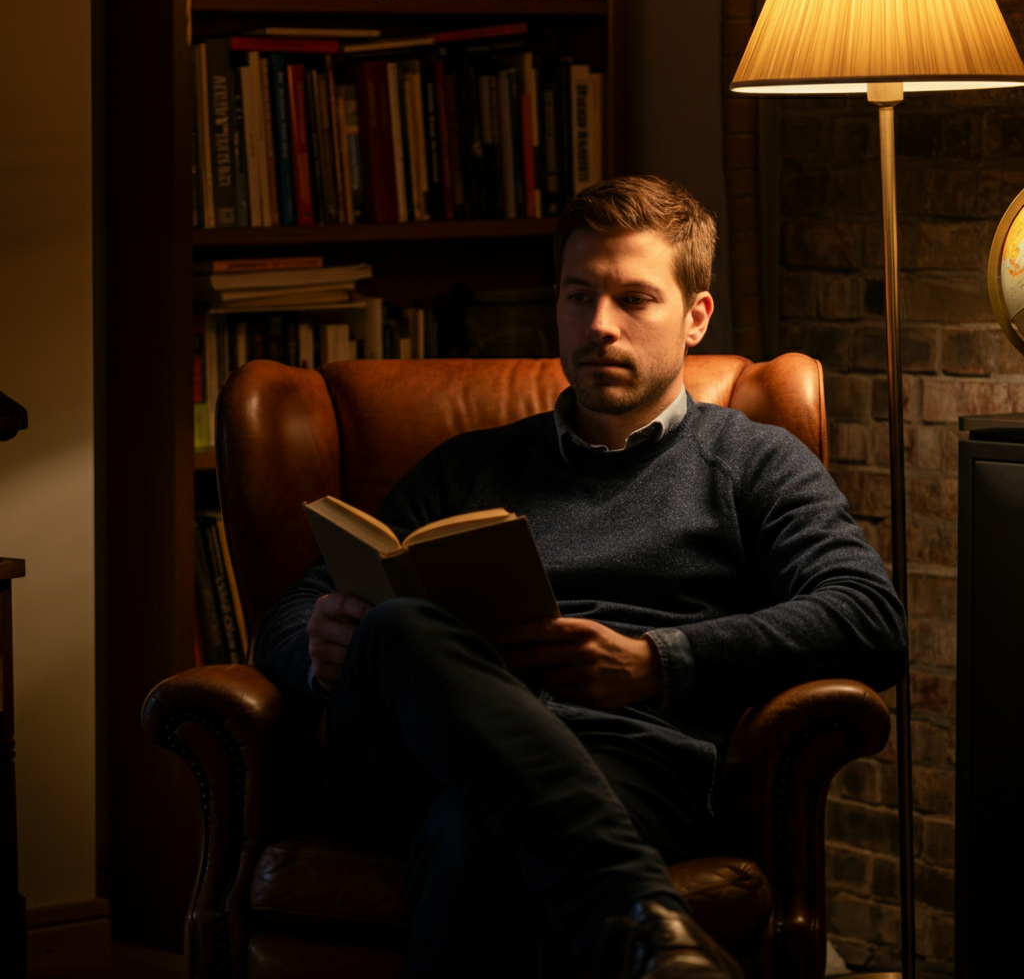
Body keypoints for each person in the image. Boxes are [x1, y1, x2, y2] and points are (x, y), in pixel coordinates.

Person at [255, 175, 907, 979]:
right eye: (578, 297)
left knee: (475, 831)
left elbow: (870, 620)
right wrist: (315, 645)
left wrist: (657, 663)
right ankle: (646, 923)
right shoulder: (469, 466)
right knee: (393, 625)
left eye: (635, 299)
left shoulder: (752, 461)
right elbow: (292, 604)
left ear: (696, 316)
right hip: (413, 765)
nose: (600, 326)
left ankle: (634, 922)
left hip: (630, 769)